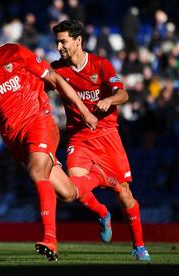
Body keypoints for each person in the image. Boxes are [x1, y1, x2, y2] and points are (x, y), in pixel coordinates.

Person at [0, 23, 117, 261]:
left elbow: (56, 79)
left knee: (36, 171)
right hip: (15, 140)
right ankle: (101, 194)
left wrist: (84, 111)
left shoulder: (14, 53)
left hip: (39, 123)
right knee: (67, 193)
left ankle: (50, 239)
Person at [51, 19, 151, 261]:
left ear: (78, 41)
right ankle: (102, 213)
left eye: (63, 41)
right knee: (73, 185)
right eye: (57, 42)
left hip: (107, 135)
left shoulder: (100, 64)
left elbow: (123, 93)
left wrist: (109, 100)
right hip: (79, 135)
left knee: (124, 193)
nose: (59, 47)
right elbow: (39, 89)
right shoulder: (57, 69)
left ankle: (139, 247)